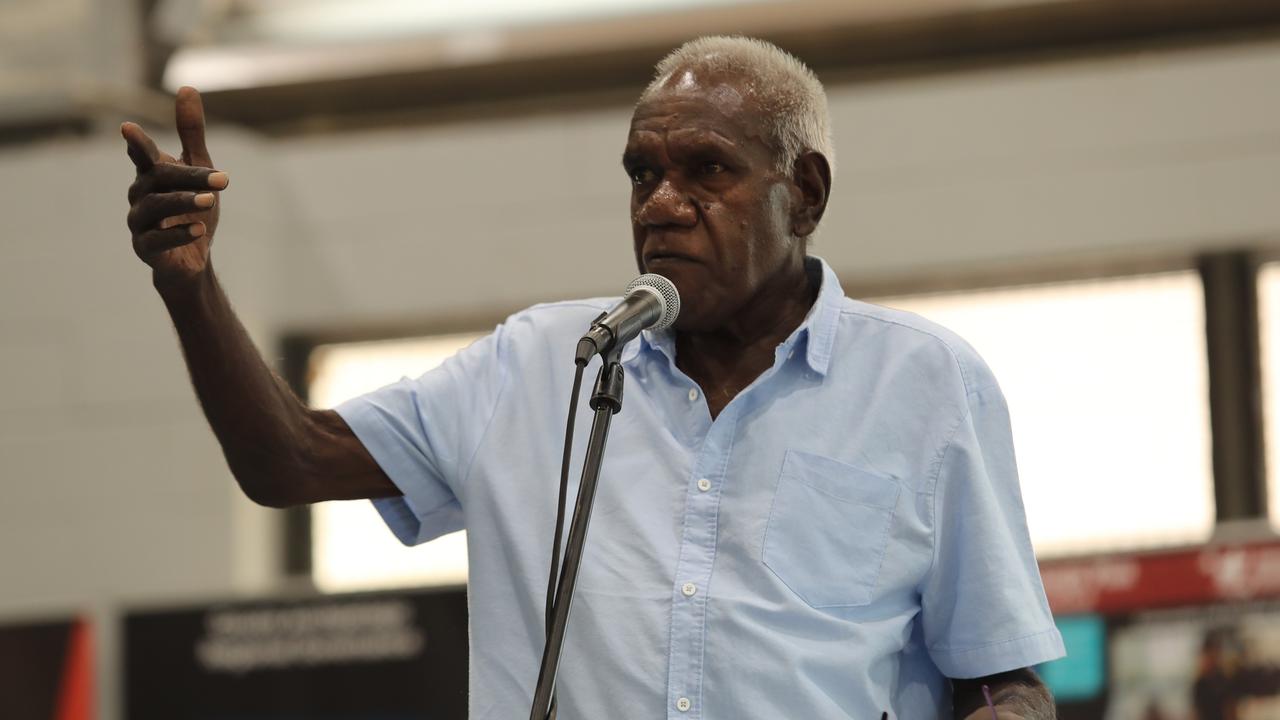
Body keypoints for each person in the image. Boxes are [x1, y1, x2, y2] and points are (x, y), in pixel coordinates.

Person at [122, 35, 1063, 719]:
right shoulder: (539, 364)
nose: (661, 204)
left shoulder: (926, 384)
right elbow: (288, 462)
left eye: (705, 170)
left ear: (804, 194)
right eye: (640, 173)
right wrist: (191, 292)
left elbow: (1000, 676)